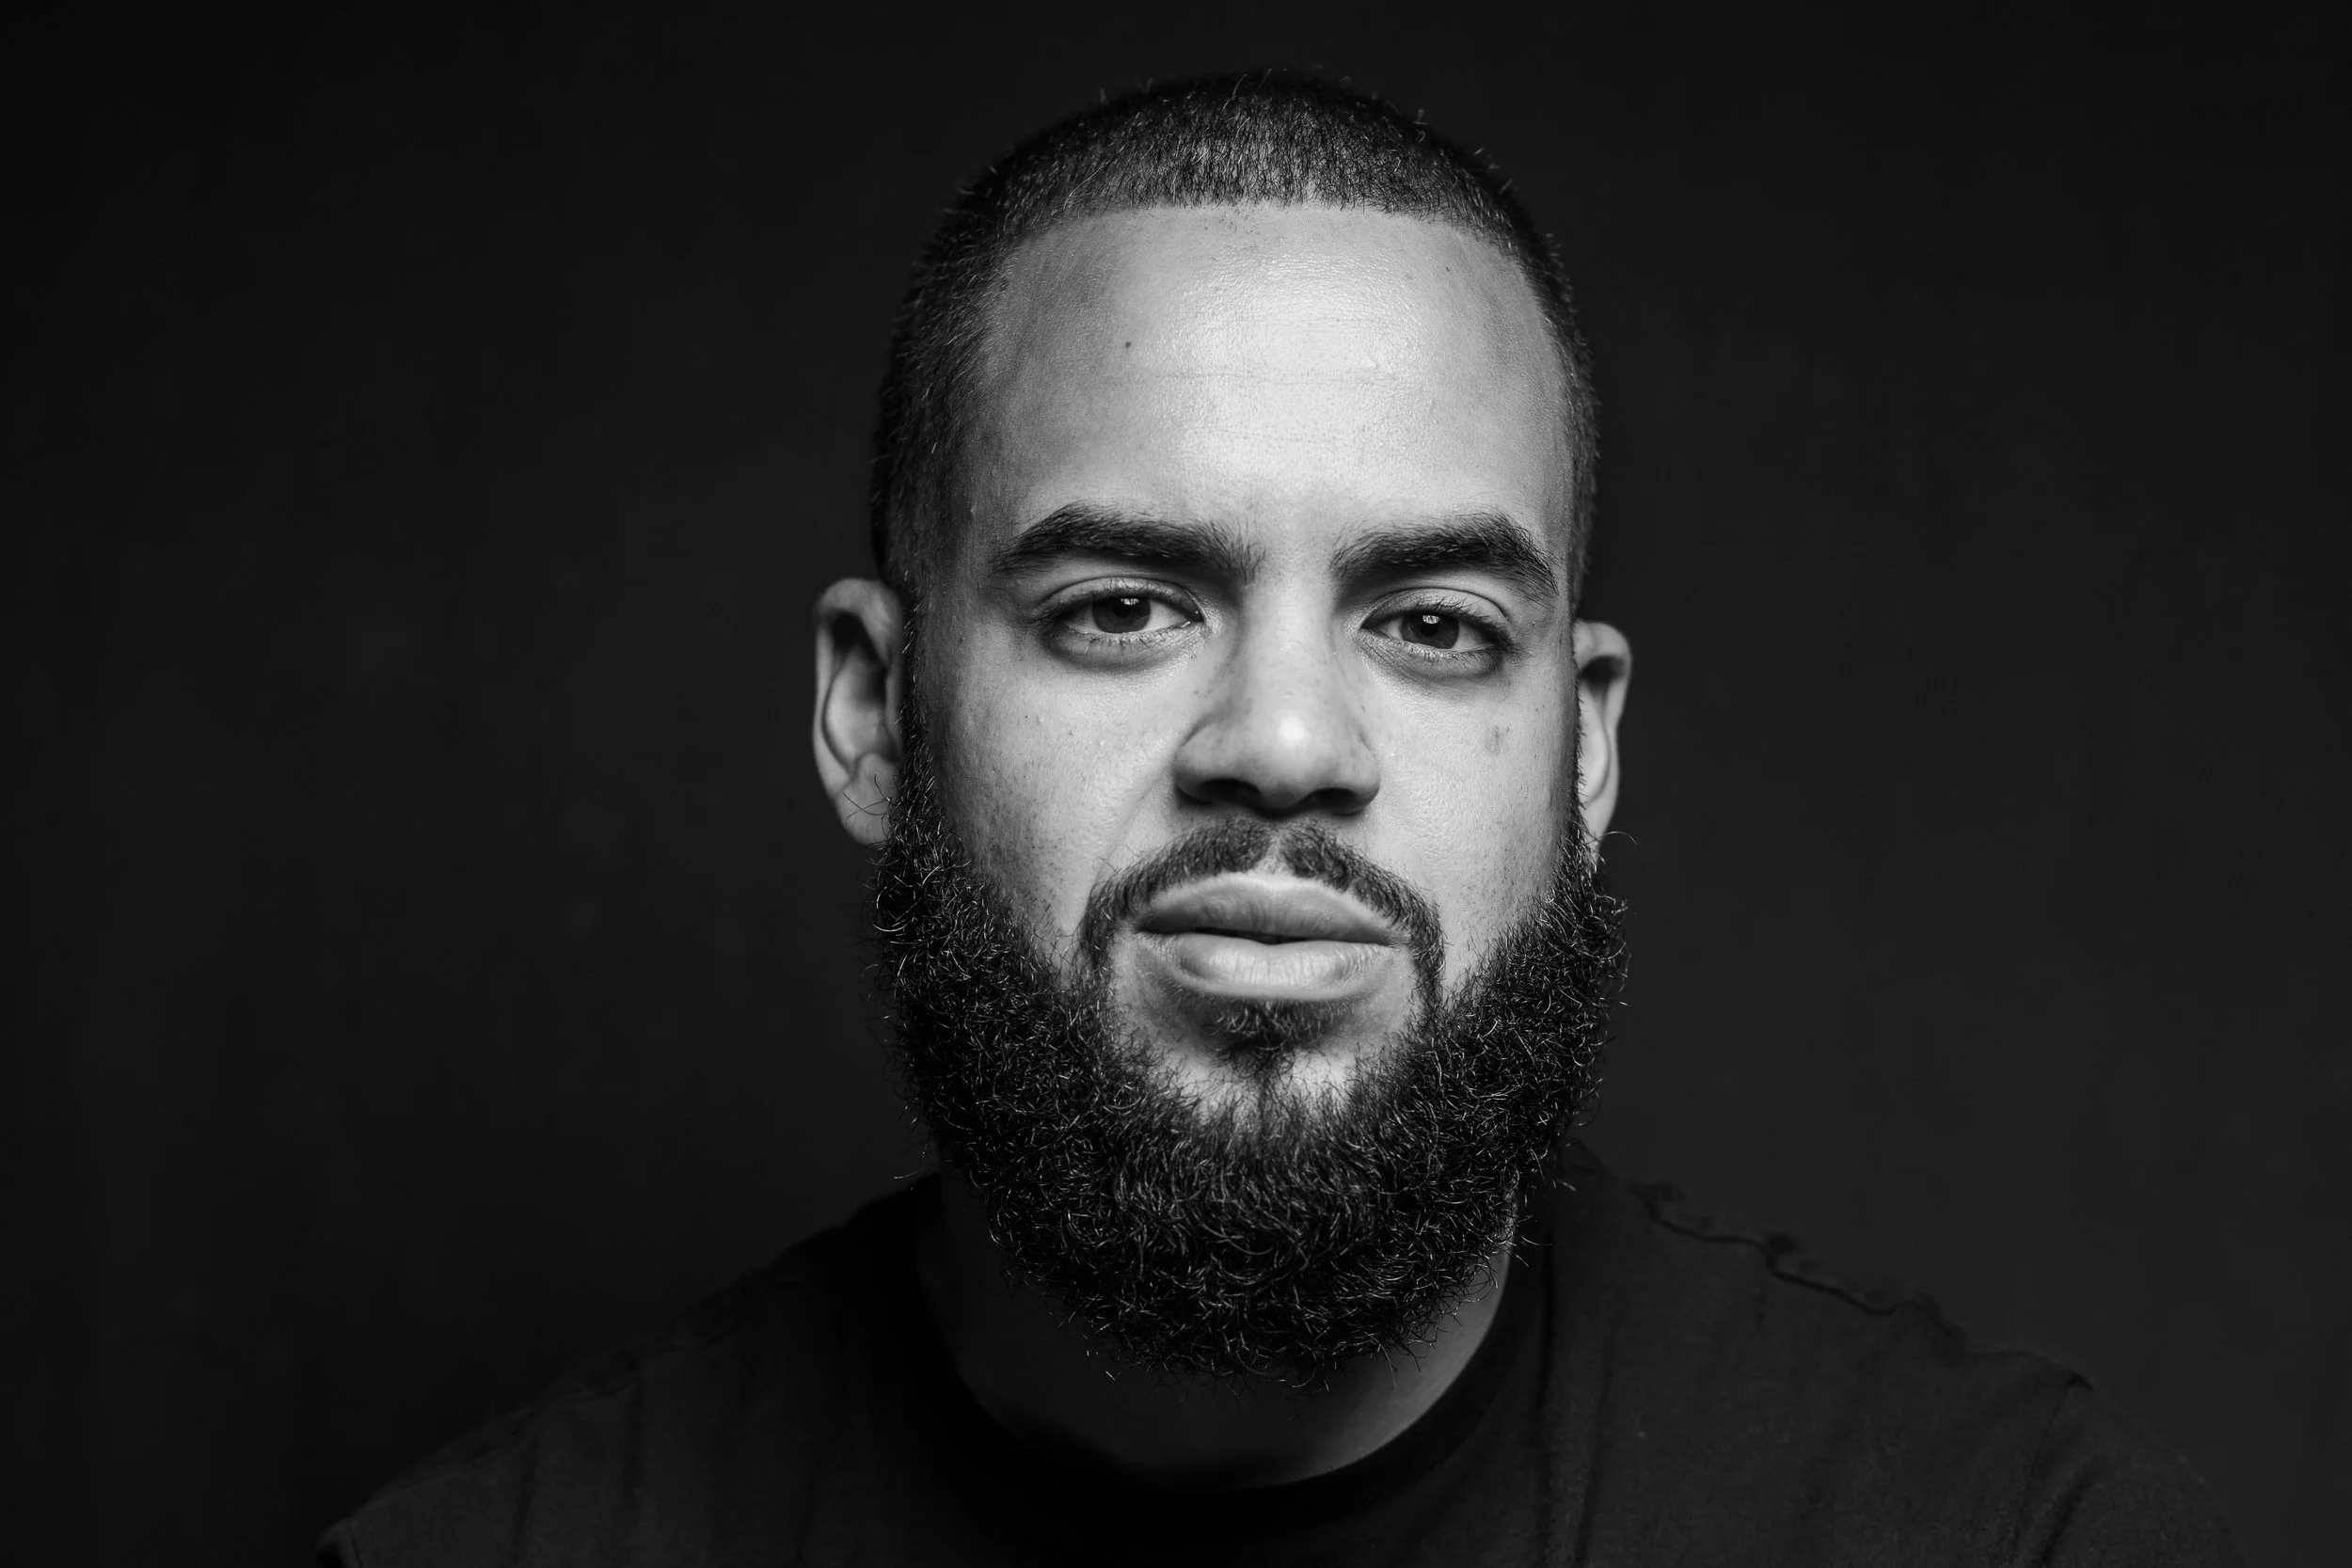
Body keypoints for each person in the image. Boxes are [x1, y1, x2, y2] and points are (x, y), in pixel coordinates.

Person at [321, 71, 2241, 1566]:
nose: (1286, 740)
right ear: (868, 713)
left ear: (1580, 748)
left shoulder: (2015, 1538)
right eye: (1122, 609)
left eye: (1429, 622)